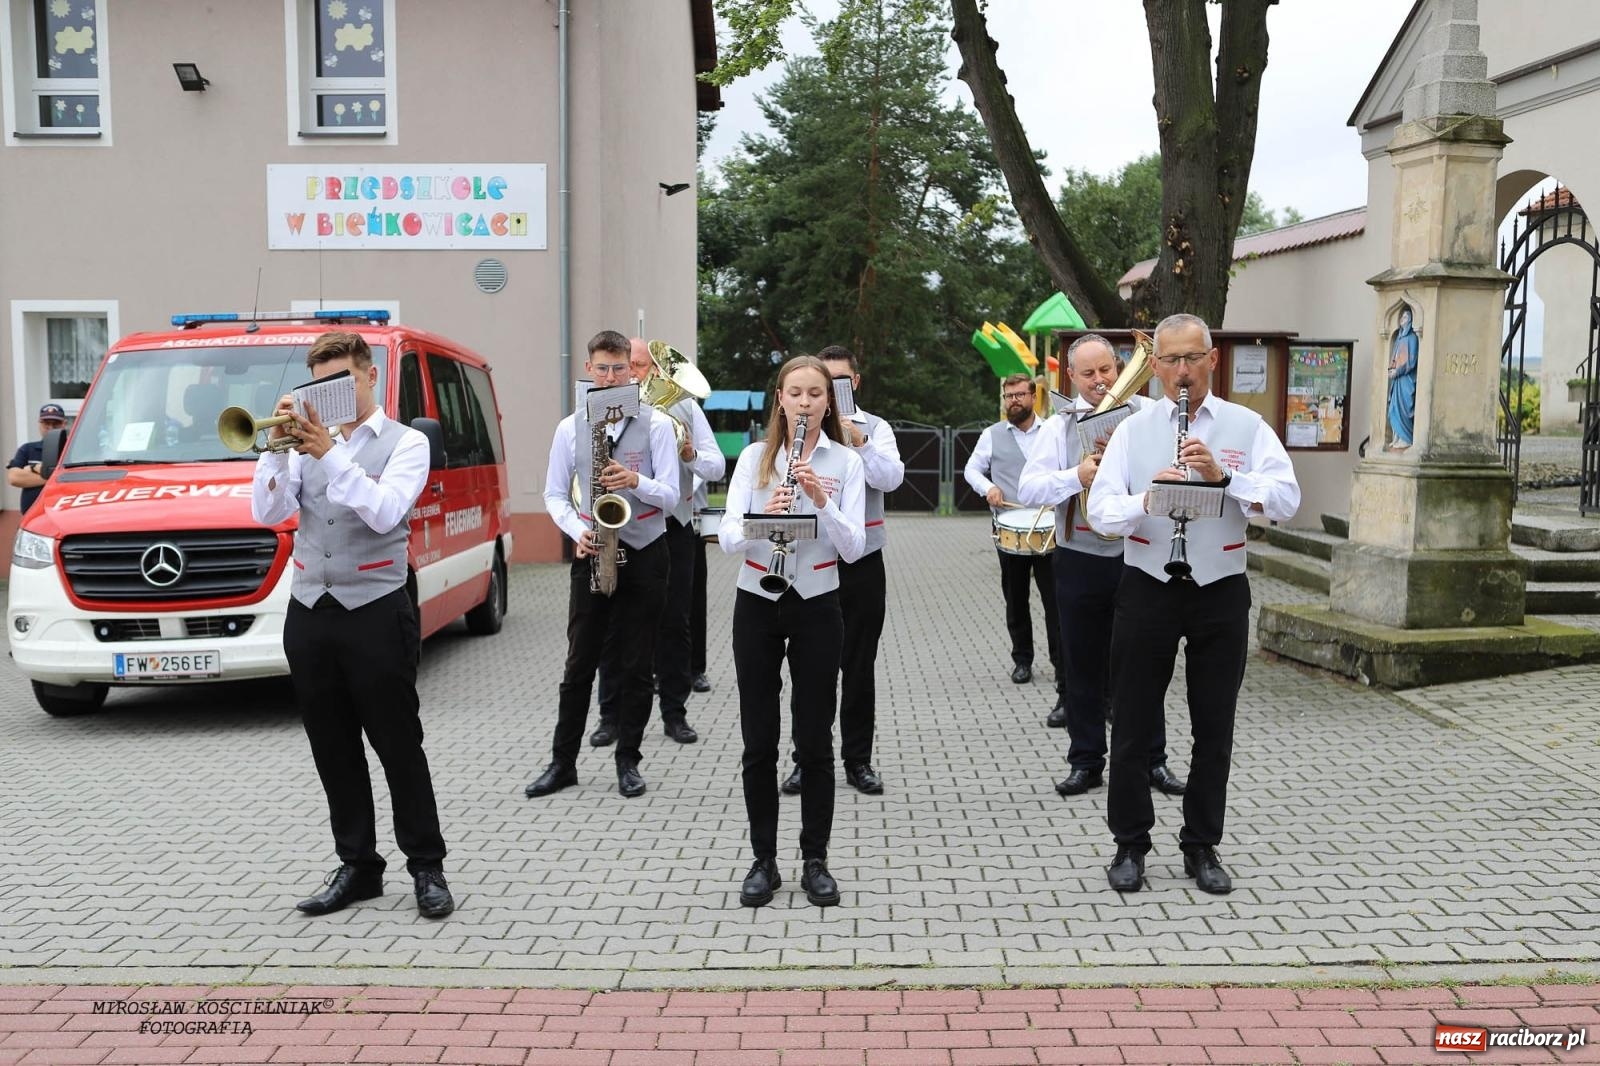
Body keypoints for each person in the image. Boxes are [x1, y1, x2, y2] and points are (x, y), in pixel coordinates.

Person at [1088, 314, 1300, 895]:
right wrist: (1147, 499)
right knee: (1131, 721)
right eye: (1171, 361)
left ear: (1213, 360)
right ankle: (1129, 844)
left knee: (1215, 726)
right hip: (1148, 583)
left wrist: (1225, 477)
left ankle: (1202, 845)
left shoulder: (1246, 425)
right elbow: (1100, 513)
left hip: (1220, 588)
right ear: (1154, 367)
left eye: (1193, 359)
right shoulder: (1132, 430)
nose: (1182, 372)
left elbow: (1286, 500)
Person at [250, 331, 454, 919]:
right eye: (319, 383)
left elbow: (386, 510)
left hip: (376, 608)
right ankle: (359, 866)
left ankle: (426, 865)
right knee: (332, 748)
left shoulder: (407, 442)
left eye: (340, 381)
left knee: (397, 744)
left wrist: (327, 450)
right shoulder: (303, 442)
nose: (329, 394)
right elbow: (266, 513)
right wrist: (278, 449)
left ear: (368, 377)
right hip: (311, 608)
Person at [720, 355, 865, 908]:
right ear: (779, 398)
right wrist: (767, 517)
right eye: (795, 393)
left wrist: (821, 501)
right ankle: (764, 859)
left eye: (815, 394)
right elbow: (729, 533)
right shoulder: (757, 458)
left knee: (814, 740)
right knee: (759, 741)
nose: (805, 402)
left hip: (818, 602)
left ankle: (815, 859)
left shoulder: (845, 463)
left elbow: (852, 547)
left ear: (829, 402)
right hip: (757, 598)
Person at [1019, 336, 1186, 797]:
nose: (1100, 381)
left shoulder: (1148, 417)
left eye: (1107, 371)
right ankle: (1087, 761)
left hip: (1140, 557)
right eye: (1088, 374)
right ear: (1070, 377)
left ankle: (1152, 760)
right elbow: (1030, 488)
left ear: (1118, 368)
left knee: (1144, 664)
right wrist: (1078, 476)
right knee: (1081, 665)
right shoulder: (1059, 426)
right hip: (1079, 557)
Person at [525, 330, 679, 801]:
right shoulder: (570, 427)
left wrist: (636, 480)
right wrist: (577, 531)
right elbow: (553, 494)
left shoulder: (655, 425)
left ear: (632, 373)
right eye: (603, 368)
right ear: (590, 371)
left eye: (620, 368)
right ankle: (562, 762)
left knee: (636, 666)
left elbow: (672, 497)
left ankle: (628, 761)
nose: (611, 376)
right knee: (579, 665)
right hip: (594, 548)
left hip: (647, 547)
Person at [781, 344, 902, 797]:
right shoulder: (797, 427)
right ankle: (805, 759)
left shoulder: (875, 427)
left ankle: (858, 760)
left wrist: (861, 443)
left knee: (858, 664)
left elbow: (892, 479)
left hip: (862, 560)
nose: (830, 390)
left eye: (840, 381)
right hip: (809, 560)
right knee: (808, 667)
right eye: (823, 381)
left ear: (855, 383)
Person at [590, 338, 724, 747]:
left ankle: (674, 713)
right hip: (618, 525)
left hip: (672, 524)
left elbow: (716, 465)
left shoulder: (683, 408)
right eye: (626, 365)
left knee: (673, 622)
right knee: (612, 626)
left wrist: (688, 456)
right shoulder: (597, 411)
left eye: (641, 366)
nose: (634, 373)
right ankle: (609, 717)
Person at [964, 373, 1064, 720]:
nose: (1012, 402)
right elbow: (972, 470)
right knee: (1016, 598)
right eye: (1008, 396)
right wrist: (987, 488)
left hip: (1049, 528)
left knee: (1055, 601)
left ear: (1034, 396)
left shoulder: (1053, 430)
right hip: (1010, 527)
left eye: (1019, 395)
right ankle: (1022, 660)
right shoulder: (992, 435)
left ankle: (1060, 662)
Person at [6, 403, 68, 516]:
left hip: (63, 514)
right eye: (46, 424)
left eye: (56, 424)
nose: (51, 428)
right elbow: (14, 478)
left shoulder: (71, 450)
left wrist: (34, 470)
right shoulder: (27, 449)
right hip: (32, 517)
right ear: (39, 424)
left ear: (64, 424)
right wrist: (59, 476)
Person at [1386, 307, 1418, 450]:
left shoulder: (1412, 338)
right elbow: (1394, 357)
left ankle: (1405, 437)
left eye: (1405, 317)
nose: (1402, 320)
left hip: (1406, 380)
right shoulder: (1399, 338)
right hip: (1396, 380)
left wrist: (1397, 371)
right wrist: (1392, 370)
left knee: (1404, 408)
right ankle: (1396, 437)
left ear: (1410, 320)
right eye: (1401, 317)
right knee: (1393, 408)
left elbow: (1410, 362)